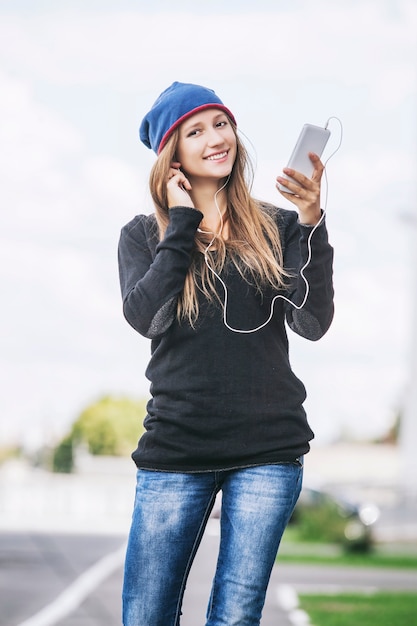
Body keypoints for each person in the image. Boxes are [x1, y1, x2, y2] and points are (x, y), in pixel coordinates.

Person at [118, 81, 334, 626]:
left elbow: (312, 321)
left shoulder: (277, 225)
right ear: (173, 157)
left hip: (268, 447)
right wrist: (183, 222)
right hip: (177, 448)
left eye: (222, 123)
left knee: (236, 618)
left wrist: (310, 223)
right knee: (146, 617)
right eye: (196, 131)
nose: (217, 138)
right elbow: (149, 317)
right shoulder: (143, 235)